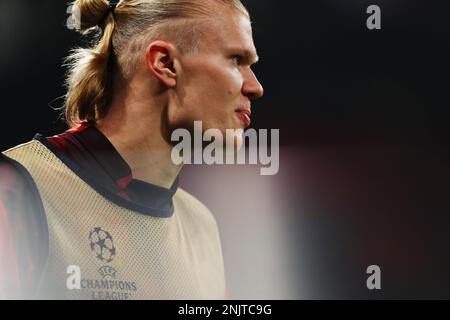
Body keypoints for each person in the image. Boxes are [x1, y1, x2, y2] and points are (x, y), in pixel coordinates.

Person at [0, 0, 263, 300]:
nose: (255, 87)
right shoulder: (16, 190)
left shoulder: (202, 226)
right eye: (236, 59)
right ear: (164, 63)